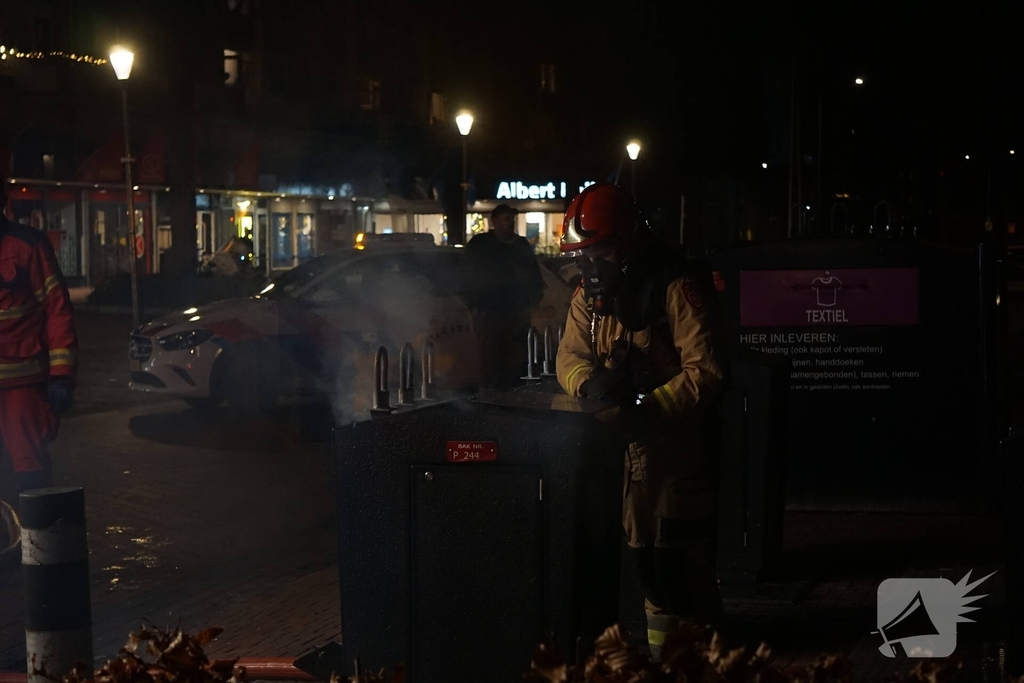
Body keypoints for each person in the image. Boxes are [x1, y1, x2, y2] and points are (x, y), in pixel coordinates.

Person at [554, 182, 725, 662]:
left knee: (679, 570)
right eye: (582, 253)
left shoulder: (674, 285)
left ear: (626, 242)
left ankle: (708, 663)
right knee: (645, 570)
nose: (589, 264)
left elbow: (707, 370)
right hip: (622, 458)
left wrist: (650, 409)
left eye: (599, 250)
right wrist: (589, 385)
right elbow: (568, 356)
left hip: (676, 456)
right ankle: (664, 663)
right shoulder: (591, 296)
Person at [0, 182, 78, 500]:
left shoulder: (28, 246)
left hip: (23, 388)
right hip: (23, 386)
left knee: (29, 475)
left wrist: (62, 377)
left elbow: (57, 311)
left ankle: (37, 549)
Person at [465, 203, 545, 389]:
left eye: (512, 219)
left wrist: (531, 305)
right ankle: (490, 398)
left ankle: (512, 397)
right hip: (488, 312)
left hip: (516, 313)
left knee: (515, 360)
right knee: (490, 360)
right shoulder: (480, 245)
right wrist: (474, 306)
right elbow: (466, 275)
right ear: (494, 222)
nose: (511, 223)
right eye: (506, 218)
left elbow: (534, 277)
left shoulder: (521, 246)